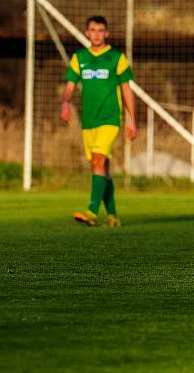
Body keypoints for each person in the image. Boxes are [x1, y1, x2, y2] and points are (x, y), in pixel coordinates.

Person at [60, 15, 137, 228]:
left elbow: (127, 90)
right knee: (102, 167)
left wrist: (132, 120)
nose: (96, 34)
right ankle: (112, 214)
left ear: (107, 33)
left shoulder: (116, 58)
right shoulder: (80, 58)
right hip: (89, 121)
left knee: (98, 161)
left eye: (101, 30)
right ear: (87, 33)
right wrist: (65, 104)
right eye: (92, 30)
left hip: (110, 119)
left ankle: (92, 211)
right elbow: (69, 86)